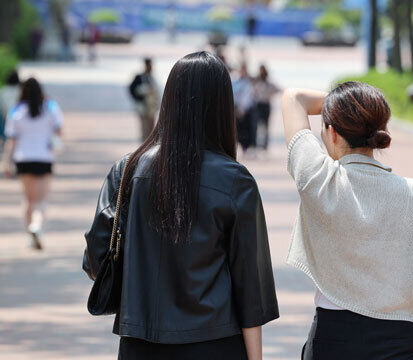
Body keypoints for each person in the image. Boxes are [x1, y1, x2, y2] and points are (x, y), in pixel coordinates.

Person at [83, 51, 279, 360]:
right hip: (216, 343)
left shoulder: (127, 170)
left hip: (140, 344)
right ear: (222, 106)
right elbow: (250, 289)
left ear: (169, 100)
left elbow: (96, 260)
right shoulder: (235, 180)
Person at [282, 82, 413, 360]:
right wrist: (365, 112)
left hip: (333, 339)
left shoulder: (319, 180)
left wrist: (346, 106)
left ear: (331, 133)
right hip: (398, 341)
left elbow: (293, 98)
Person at [1, 78, 63, 250]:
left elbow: (11, 140)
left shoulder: (16, 111)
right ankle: (37, 226)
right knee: (41, 200)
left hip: (23, 159)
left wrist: (6, 162)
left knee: (28, 200)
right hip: (44, 158)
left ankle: (30, 233)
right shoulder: (51, 108)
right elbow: (59, 132)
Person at [129, 58, 159, 142]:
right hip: (143, 108)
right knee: (145, 128)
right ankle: (144, 146)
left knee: (151, 129)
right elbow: (132, 89)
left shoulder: (151, 77)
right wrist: (141, 96)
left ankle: (149, 145)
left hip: (151, 108)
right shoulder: (139, 77)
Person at [253, 64, 280, 150]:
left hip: (266, 105)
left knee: (266, 125)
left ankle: (265, 145)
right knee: (257, 125)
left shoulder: (269, 82)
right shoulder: (257, 81)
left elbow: (278, 89)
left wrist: (269, 95)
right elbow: (252, 92)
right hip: (258, 105)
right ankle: (257, 144)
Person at [232, 63, 256, 154]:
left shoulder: (249, 81)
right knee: (238, 129)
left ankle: (247, 147)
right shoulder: (235, 81)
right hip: (237, 109)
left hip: (248, 109)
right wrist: (237, 108)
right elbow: (234, 95)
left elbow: (250, 96)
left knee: (248, 129)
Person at [0, 70, 21, 145]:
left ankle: (5, 138)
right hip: (19, 117)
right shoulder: (21, 90)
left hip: (6, 116)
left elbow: (3, 108)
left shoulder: (2, 91)